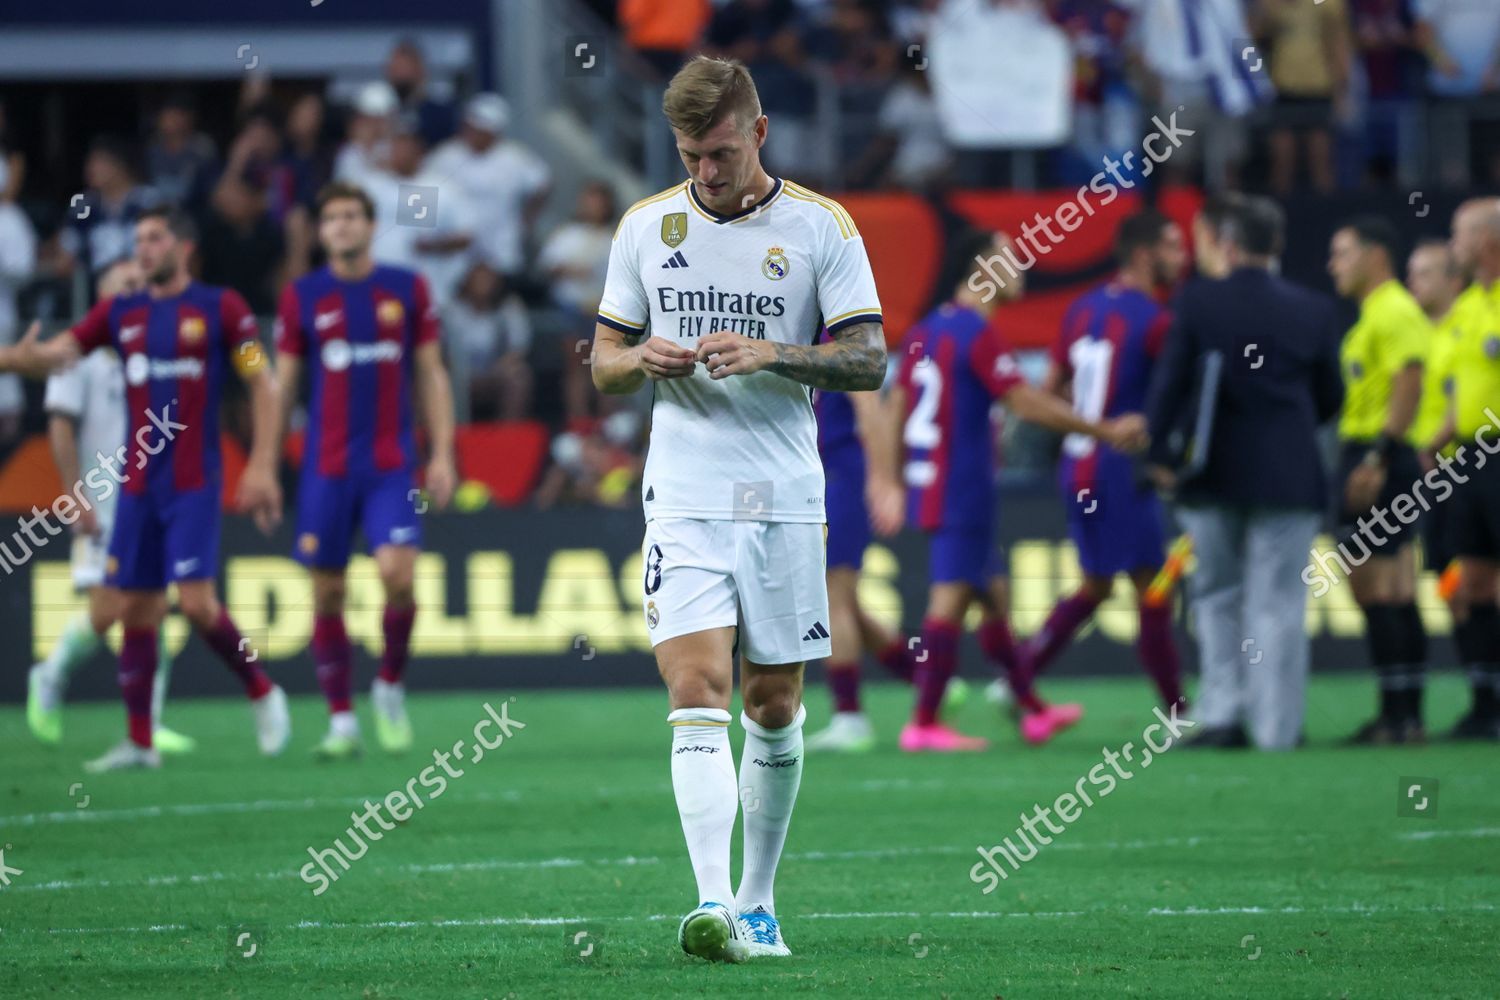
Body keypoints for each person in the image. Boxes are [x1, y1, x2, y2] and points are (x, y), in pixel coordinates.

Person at [591, 55, 886, 962]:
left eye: (719, 152)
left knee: (772, 700)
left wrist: (776, 353)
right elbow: (601, 363)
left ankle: (759, 902)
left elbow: (870, 361)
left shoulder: (822, 229)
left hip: (783, 496)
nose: (705, 172)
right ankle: (712, 905)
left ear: (757, 133)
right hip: (682, 492)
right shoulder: (648, 227)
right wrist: (642, 361)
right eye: (690, 154)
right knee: (695, 689)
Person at [0, 206, 291, 771]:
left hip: (193, 482)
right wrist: (14, 358)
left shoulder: (223, 309)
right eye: (138, 241)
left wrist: (260, 464)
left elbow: (262, 380)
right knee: (135, 607)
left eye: (155, 238)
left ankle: (261, 688)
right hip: (135, 486)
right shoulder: (120, 314)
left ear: (184, 246)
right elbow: (59, 357)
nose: (144, 250)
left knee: (197, 604)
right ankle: (140, 742)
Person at [891, 229, 1149, 752]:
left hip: (937, 481)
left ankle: (1031, 708)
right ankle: (923, 721)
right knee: (948, 602)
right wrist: (1101, 430)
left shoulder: (926, 329)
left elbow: (895, 404)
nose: (1022, 268)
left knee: (994, 597)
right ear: (983, 269)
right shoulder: (976, 333)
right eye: (1011, 259)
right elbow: (1023, 402)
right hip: (960, 487)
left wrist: (892, 474)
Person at [1146, 196, 1344, 751]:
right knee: (1279, 602)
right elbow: (1331, 397)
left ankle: (1222, 714)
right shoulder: (1312, 309)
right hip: (1289, 476)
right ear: (1276, 246)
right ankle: (1279, 728)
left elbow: (1170, 385)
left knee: (1215, 594)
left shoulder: (1200, 302)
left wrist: (1158, 453)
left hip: (1211, 473)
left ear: (1227, 245)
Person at [274, 181, 458, 759]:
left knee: (399, 578)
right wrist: (261, 460)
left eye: (352, 216)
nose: (343, 226)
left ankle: (389, 684)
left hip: (390, 468)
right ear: (321, 231)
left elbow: (431, 373)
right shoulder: (302, 295)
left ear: (371, 225)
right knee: (327, 593)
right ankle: (341, 720)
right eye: (332, 218)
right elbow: (281, 385)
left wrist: (444, 454)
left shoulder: (405, 288)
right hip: (325, 469)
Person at [1023, 210, 1188, 713]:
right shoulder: (1157, 320)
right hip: (1119, 468)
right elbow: (1170, 399)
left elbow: (1050, 389)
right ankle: (1177, 709)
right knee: (1153, 585)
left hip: (1078, 467)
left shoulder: (1081, 309)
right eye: (1173, 246)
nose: (1182, 259)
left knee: (1098, 584)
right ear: (1145, 255)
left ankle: (1019, 675)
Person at [26, 260, 192, 754]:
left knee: (154, 607)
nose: (136, 293)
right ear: (103, 300)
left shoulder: (158, 351)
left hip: (154, 501)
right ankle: (50, 674)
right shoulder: (82, 356)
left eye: (141, 285)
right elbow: (60, 424)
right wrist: (74, 493)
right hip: (105, 500)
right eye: (124, 287)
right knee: (108, 609)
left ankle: (148, 722)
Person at [1327, 216, 1429, 743]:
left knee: (1380, 587)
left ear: (1376, 256)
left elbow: (1409, 378)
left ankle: (1400, 714)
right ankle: (1402, 712)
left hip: (1378, 454)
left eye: (1342, 253)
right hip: (1374, 452)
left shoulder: (1394, 310)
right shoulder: (1374, 313)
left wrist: (1378, 455)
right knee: (1384, 587)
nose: (1332, 265)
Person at [803, 378, 943, 753]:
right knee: (843, 599)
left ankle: (849, 717)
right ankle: (927, 680)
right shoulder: (816, 340)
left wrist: (882, 482)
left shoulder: (841, 338)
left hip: (842, 478)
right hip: (826, 475)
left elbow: (871, 410)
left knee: (832, 593)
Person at [1440, 197, 1500, 740]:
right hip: (1470, 456)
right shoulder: (1469, 306)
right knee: (1474, 581)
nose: (1452, 246)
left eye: (1459, 235)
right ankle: (1486, 704)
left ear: (1486, 241)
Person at [1405, 239, 1466, 631]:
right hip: (1429, 478)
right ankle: (1481, 681)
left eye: (1425, 274)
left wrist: (1436, 442)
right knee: (1447, 580)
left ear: (1452, 280)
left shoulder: (1469, 327)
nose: (1414, 283)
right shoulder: (1415, 336)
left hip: (1468, 468)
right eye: (1411, 274)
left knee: (1481, 576)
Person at [426, 94, 551, 285]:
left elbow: (543, 183)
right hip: (456, 252)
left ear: (494, 132)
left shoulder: (514, 157)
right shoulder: (446, 155)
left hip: (500, 249)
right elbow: (421, 187)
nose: (473, 133)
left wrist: (527, 221)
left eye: (480, 130)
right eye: (471, 127)